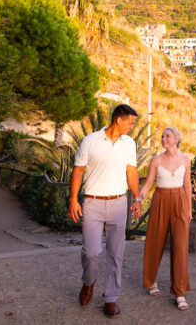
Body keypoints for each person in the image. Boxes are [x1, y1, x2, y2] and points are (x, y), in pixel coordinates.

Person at [68, 104, 142, 319]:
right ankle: (88, 282)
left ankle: (110, 298)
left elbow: (132, 171)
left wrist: (137, 198)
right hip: (92, 203)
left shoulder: (129, 144)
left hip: (119, 203)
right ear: (118, 119)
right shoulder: (90, 141)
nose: (132, 127)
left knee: (115, 254)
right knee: (91, 252)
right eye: (130, 122)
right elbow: (78, 171)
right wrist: (73, 200)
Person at [139, 127, 193, 310]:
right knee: (155, 242)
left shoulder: (186, 160)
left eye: (167, 136)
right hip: (160, 200)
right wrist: (138, 200)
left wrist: (189, 210)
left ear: (177, 138)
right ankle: (151, 281)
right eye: (162, 136)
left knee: (180, 246)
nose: (163, 139)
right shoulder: (156, 161)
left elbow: (187, 187)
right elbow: (147, 185)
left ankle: (179, 293)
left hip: (180, 201)